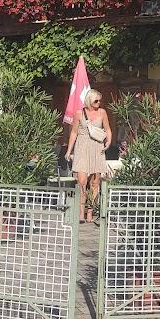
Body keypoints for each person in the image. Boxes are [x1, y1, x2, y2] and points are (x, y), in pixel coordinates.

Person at [65, 89, 112, 223]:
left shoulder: (102, 112)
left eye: (99, 100)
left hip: (97, 147)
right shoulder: (79, 113)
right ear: (89, 100)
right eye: (96, 100)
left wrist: (108, 142)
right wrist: (69, 150)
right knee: (82, 181)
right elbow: (74, 132)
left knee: (95, 182)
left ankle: (90, 212)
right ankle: (81, 213)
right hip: (82, 147)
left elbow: (108, 129)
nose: (99, 103)